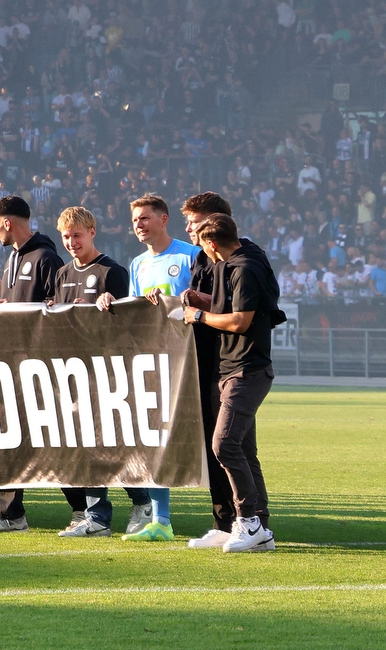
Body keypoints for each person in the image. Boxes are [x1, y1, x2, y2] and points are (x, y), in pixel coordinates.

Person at [96, 194, 199, 542]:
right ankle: (162, 520)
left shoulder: (190, 255)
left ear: (164, 219)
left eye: (145, 218)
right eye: (135, 220)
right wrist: (113, 300)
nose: (138, 225)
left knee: (210, 441)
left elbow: (203, 297)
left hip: (190, 360)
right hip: (155, 360)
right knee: (153, 437)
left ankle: (230, 518)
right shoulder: (138, 264)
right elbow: (138, 311)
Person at [183, 213, 282, 552]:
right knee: (243, 449)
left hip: (247, 370)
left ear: (212, 244)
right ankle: (259, 526)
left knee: (223, 445)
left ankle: (249, 523)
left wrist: (199, 316)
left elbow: (241, 321)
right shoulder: (232, 265)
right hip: (232, 369)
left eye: (201, 244)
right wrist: (204, 301)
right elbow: (233, 307)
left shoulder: (243, 268)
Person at [0, 195, 62, 534]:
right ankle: (10, 513)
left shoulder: (45, 257)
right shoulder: (12, 260)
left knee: (57, 438)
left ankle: (89, 511)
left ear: (7, 223)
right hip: (14, 362)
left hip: (41, 364)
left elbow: (60, 306)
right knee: (10, 437)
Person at [49, 206, 139, 539]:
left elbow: (129, 321)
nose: (72, 242)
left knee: (111, 445)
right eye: (66, 236)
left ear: (92, 232)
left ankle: (130, 504)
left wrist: (111, 305)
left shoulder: (111, 271)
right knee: (82, 445)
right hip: (72, 371)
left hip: (105, 372)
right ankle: (101, 513)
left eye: (77, 235)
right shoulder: (62, 274)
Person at [178, 192, 239, 547]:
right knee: (214, 446)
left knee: (231, 445)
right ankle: (223, 521)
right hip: (203, 362)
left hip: (230, 363)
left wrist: (198, 302)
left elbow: (239, 309)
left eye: (194, 220)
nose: (189, 227)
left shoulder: (242, 260)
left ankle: (249, 519)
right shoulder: (201, 258)